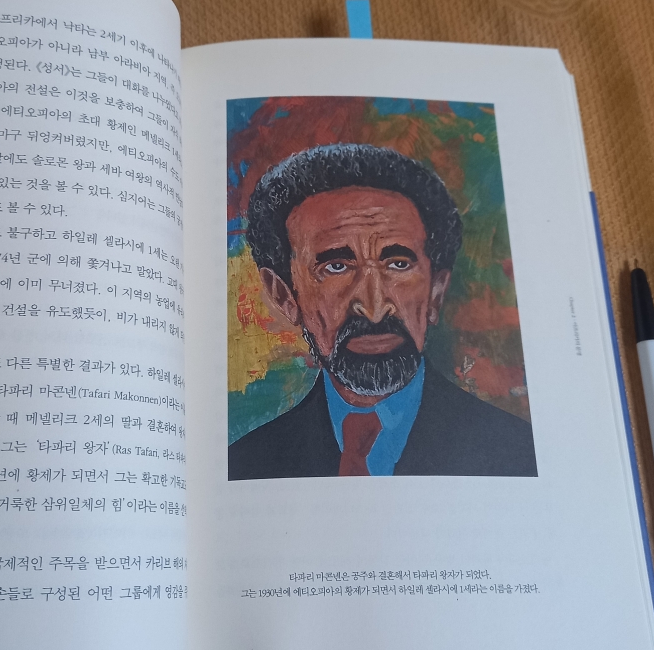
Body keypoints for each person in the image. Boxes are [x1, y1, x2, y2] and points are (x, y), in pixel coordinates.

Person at [229, 143, 537, 479]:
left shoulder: (517, 454)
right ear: (285, 296)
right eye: (336, 267)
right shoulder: (247, 465)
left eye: (398, 264)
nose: (374, 308)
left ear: (435, 292)